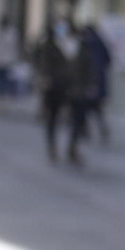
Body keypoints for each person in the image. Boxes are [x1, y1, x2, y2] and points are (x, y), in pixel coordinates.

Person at [33, 21, 87, 164]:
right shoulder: (50, 45)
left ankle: (72, 148)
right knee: (52, 117)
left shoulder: (80, 45)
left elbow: (87, 65)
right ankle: (52, 147)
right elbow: (42, 64)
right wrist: (45, 79)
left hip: (76, 88)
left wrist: (89, 84)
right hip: (55, 88)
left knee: (78, 119)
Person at [78, 20, 112, 143]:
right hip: (98, 81)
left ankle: (85, 129)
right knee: (97, 108)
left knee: (84, 107)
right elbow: (108, 60)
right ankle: (101, 129)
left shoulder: (86, 44)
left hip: (89, 82)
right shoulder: (100, 42)